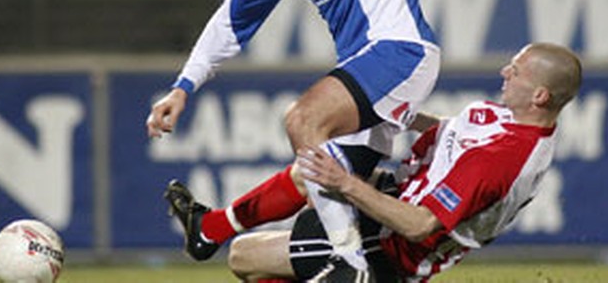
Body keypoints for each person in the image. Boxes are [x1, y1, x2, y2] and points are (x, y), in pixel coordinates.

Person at [148, 0, 516, 278]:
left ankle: (347, 261)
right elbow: (228, 26)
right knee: (311, 182)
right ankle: (211, 230)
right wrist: (183, 87)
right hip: (372, 67)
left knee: (303, 120)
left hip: (401, 51)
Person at [219, 43, 583, 282]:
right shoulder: (510, 120)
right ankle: (210, 226)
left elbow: (421, 225)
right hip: (390, 202)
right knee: (307, 175)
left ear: (540, 95)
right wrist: (400, 113)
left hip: (393, 251)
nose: (505, 71)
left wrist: (346, 184)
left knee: (245, 257)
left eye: (516, 71)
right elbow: (451, 129)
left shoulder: (499, 161)